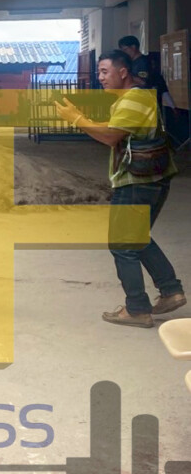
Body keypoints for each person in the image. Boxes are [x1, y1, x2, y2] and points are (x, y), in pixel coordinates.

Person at [55, 50, 184, 329]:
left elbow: (111, 136)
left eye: (105, 71)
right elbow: (116, 129)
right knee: (137, 238)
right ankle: (170, 290)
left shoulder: (133, 98)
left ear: (123, 72)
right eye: (99, 72)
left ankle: (137, 309)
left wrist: (77, 118)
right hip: (152, 179)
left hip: (137, 182)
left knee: (122, 245)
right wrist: (84, 119)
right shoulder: (137, 97)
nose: (100, 78)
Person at [117, 35, 171, 111]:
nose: (124, 53)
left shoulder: (143, 62)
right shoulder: (132, 63)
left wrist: (125, 75)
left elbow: (143, 82)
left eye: (125, 49)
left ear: (133, 47)